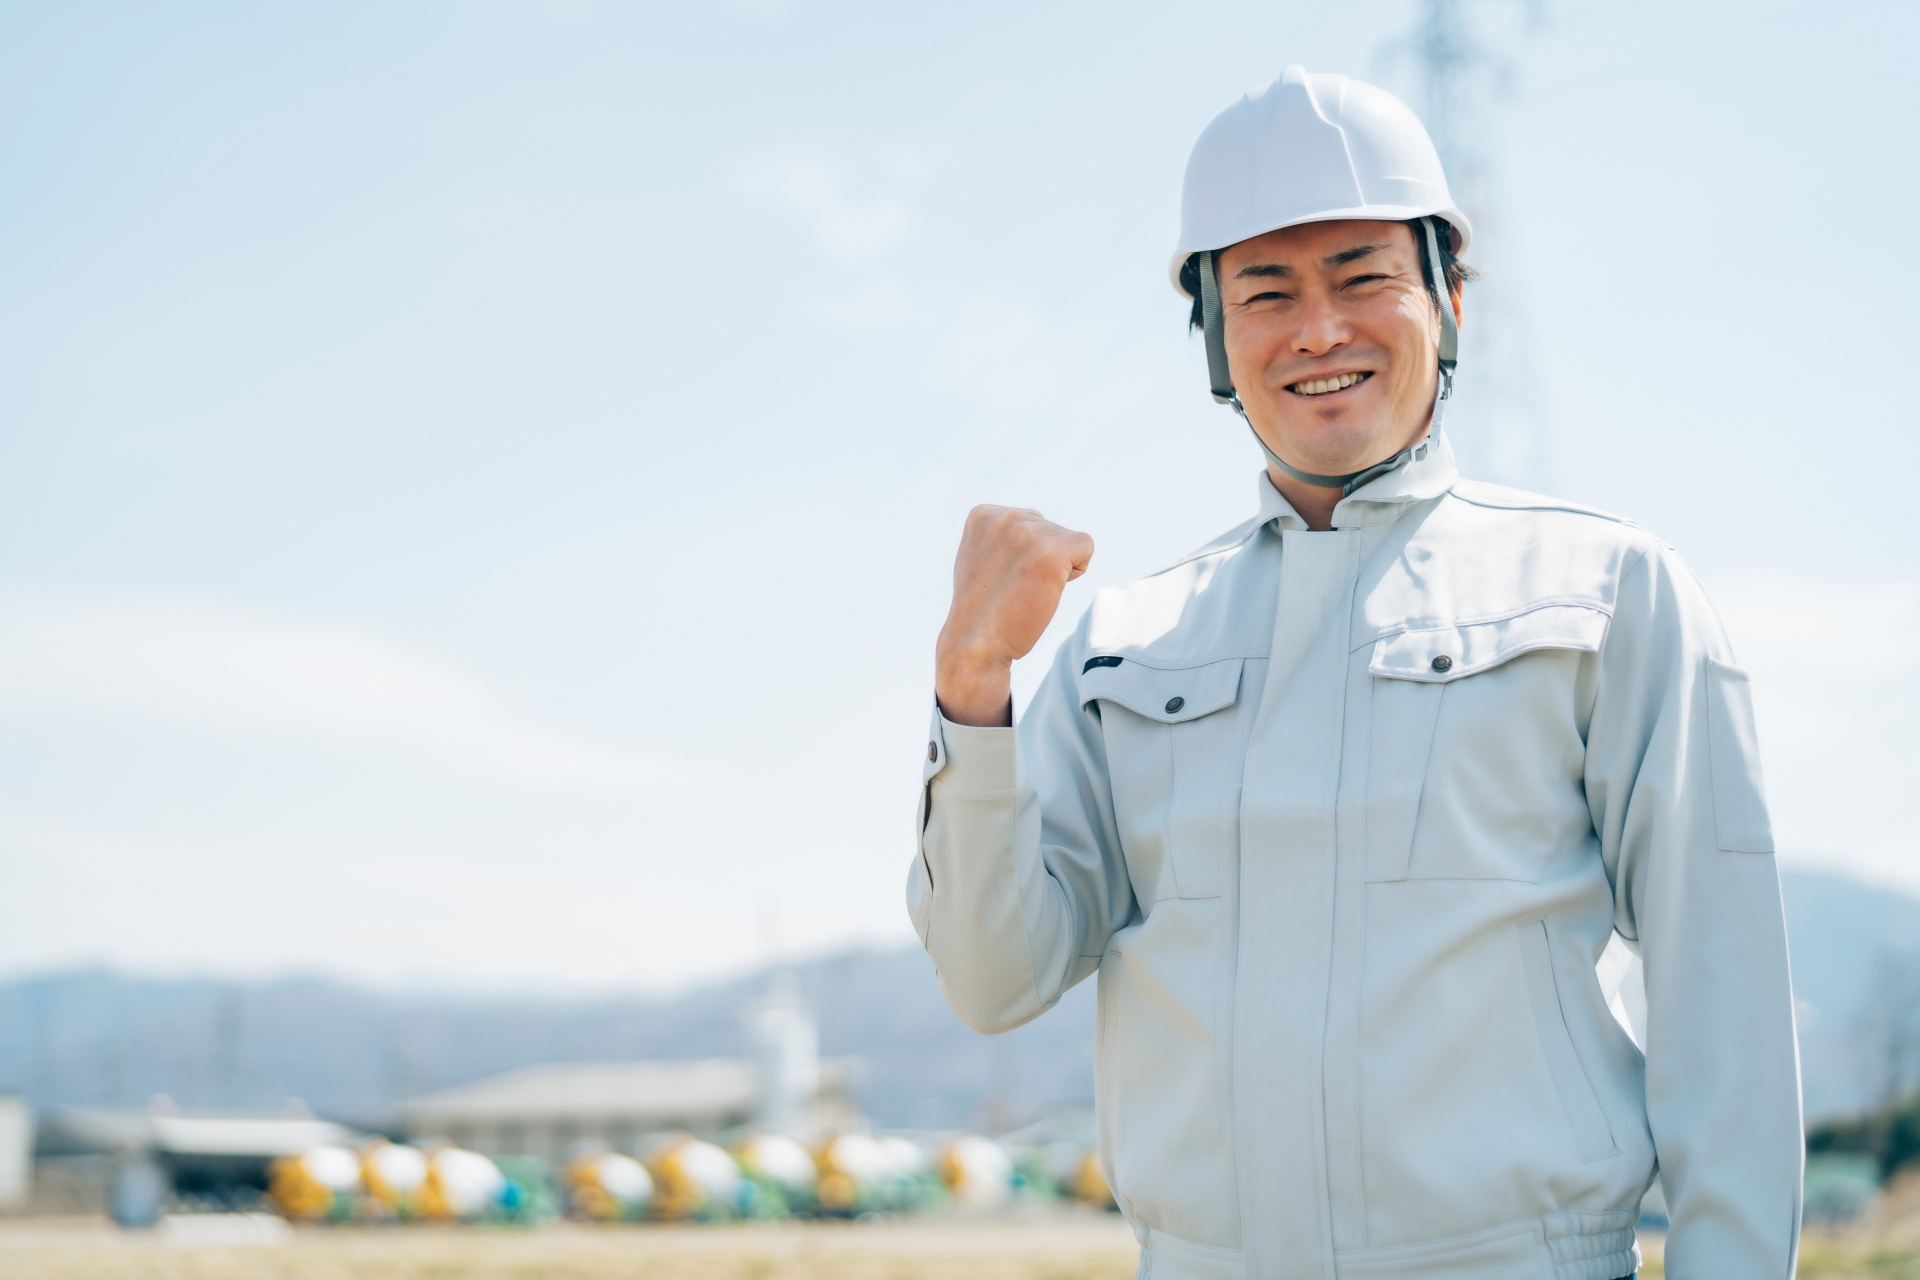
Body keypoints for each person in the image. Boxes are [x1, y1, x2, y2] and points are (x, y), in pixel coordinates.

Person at [908, 67, 1801, 1280]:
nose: (1318, 329)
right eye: (1266, 291)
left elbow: (1725, 1008)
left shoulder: (1606, 595)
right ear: (1219, 340)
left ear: (1451, 298)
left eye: (1363, 274)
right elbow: (993, 977)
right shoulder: (1125, 641)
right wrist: (975, 687)